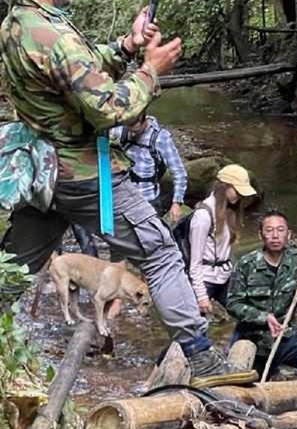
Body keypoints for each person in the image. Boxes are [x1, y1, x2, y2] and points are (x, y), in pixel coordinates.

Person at [0, 0, 245, 379]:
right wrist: (151, 70)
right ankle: (202, 358)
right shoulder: (52, 34)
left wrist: (126, 47)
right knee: (161, 253)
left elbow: (76, 71)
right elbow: (109, 109)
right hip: (84, 175)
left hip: (43, 173)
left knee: (12, 269)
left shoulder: (18, 22)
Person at [227, 210, 297, 379]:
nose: (275, 236)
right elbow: (233, 304)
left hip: (284, 337)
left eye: (280, 230)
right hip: (251, 339)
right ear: (261, 235)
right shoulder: (246, 264)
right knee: (239, 378)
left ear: (288, 234)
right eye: (269, 231)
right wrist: (263, 317)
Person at [189, 165, 257, 314]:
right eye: (237, 191)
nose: (240, 196)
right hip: (205, 280)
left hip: (224, 277)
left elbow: (227, 252)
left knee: (246, 315)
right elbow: (195, 263)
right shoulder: (203, 216)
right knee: (196, 329)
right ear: (224, 187)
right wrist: (201, 296)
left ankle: (238, 338)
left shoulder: (230, 212)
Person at [110, 111, 188, 223]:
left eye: (135, 130)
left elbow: (179, 173)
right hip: (123, 197)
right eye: (129, 129)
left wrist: (176, 203)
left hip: (147, 199)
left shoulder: (161, 138)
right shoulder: (121, 130)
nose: (132, 134)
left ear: (144, 121)